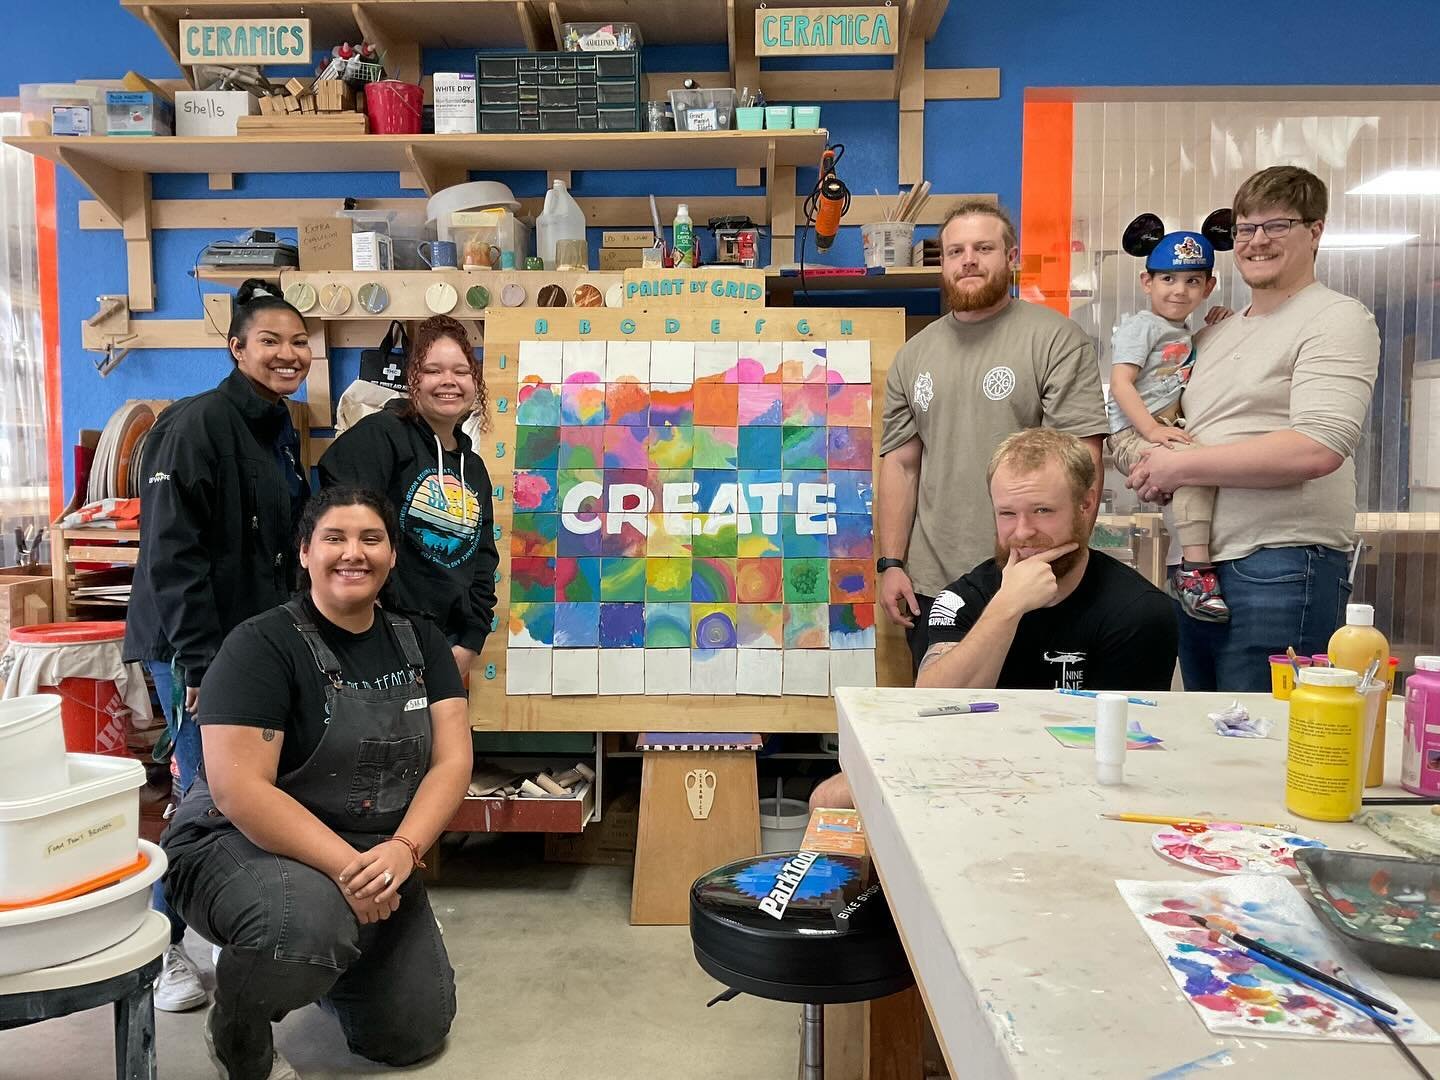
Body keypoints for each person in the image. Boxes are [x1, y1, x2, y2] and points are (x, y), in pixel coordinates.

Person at [161, 486, 471, 1080]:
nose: (353, 553)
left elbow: (451, 761)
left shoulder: (421, 642)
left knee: (410, 1033)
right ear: (304, 552)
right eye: (334, 538)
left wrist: (402, 852)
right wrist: (351, 871)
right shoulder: (260, 646)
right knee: (302, 925)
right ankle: (238, 1033)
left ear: (392, 555)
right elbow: (241, 791)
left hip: (372, 847)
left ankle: (331, 958)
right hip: (236, 842)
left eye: (370, 538)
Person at [122, 278, 312, 1013]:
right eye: (270, 341)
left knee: (251, 795)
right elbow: (173, 556)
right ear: (236, 348)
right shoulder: (197, 425)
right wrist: (199, 664)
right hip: (199, 651)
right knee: (205, 800)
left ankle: (229, 932)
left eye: (298, 343)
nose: (287, 354)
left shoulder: (275, 428)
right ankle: (162, 948)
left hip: (252, 646)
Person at [811, 429, 1176, 809]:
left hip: (1070, 782)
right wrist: (1007, 607)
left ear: (1086, 505)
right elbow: (931, 707)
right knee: (829, 799)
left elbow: (1127, 755)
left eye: (1042, 511)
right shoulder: (964, 596)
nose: (1022, 532)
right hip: (962, 763)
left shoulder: (1139, 612)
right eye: (1007, 514)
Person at [1127, 166, 1381, 693]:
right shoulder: (1215, 333)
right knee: (1209, 738)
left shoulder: (1335, 318)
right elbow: (1176, 422)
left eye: (1278, 225)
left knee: (1265, 745)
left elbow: (1317, 448)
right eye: (1246, 228)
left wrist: (1177, 466)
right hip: (1197, 567)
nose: (1257, 240)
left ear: (1316, 232)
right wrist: (1150, 462)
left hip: (1282, 564)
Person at [878, 200, 1109, 677]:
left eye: (983, 248)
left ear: (1012, 257)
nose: (968, 260)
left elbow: (1083, 462)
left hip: (1030, 574)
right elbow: (901, 464)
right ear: (941, 262)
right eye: (955, 250)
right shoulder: (912, 355)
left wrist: (1062, 566)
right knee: (944, 725)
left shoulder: (1055, 339)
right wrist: (891, 562)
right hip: (934, 582)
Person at [318, 315, 497, 682]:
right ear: (413, 378)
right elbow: (341, 529)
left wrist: (470, 641)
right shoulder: (383, 436)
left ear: (474, 382)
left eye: (461, 371)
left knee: (443, 741)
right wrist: (372, 619)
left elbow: (482, 558)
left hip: (446, 646)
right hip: (377, 640)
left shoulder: (473, 467)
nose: (449, 381)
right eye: (433, 370)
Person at [1106, 224, 1233, 622]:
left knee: (1192, 473)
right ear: (1147, 281)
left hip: (1159, 428)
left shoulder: (1181, 331)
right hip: (1132, 432)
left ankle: (1186, 564)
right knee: (1194, 469)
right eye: (1168, 279)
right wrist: (1151, 430)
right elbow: (1120, 383)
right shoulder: (1141, 326)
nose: (1179, 290)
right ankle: (1194, 573)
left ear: (1208, 286)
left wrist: (1217, 326)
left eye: (1192, 280)